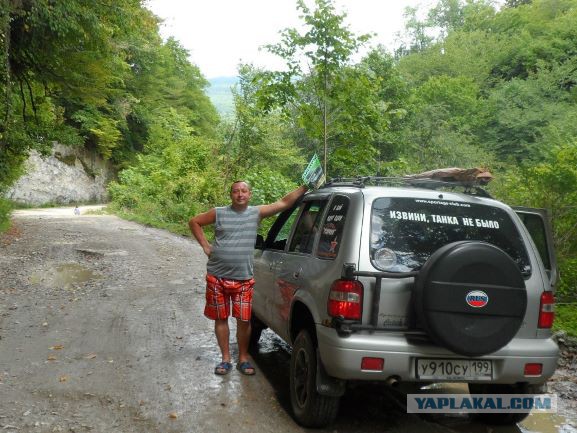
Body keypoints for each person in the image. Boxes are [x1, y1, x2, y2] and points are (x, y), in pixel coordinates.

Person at [189, 181, 307, 376]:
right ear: (231, 195)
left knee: (244, 320)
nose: (240, 194)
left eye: (244, 191)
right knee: (221, 319)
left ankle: (243, 358)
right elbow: (194, 222)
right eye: (236, 191)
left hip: (243, 279)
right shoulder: (218, 213)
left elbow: (284, 203)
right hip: (216, 276)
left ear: (249, 194)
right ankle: (225, 359)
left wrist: (305, 187)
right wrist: (205, 246)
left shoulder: (256, 213)